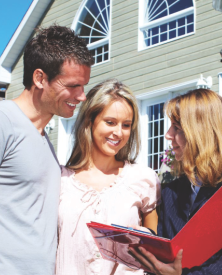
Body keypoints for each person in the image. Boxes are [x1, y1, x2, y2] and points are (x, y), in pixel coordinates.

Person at [0, 25, 93, 275]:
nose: (82, 97)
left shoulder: (46, 143)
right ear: (40, 78)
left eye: (84, 86)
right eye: (73, 86)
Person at [130, 89, 222, 275]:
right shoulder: (171, 190)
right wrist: (144, 240)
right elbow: (169, 248)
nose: (168, 135)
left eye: (176, 128)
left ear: (201, 132)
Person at [56, 79, 161, 275]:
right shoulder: (59, 180)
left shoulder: (143, 179)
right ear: (90, 120)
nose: (118, 133)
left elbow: (153, 255)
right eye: (110, 122)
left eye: (126, 125)